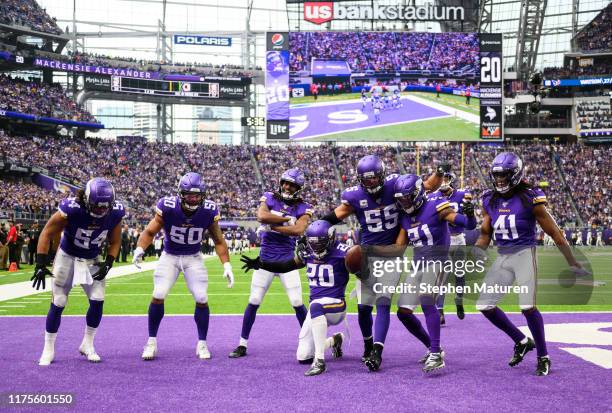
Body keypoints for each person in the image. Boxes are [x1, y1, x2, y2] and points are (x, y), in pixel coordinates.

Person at [321, 155, 448, 372]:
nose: (370, 183)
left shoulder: (395, 186)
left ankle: (377, 352)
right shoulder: (354, 196)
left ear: (382, 175)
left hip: (391, 254)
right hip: (367, 257)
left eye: (374, 178)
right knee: (362, 308)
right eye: (366, 179)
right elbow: (334, 216)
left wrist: (439, 172)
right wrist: (315, 227)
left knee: (383, 303)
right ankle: (370, 345)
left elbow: (425, 186)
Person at [474, 152, 589, 376]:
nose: (499, 181)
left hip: (524, 254)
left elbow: (555, 232)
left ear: (515, 175)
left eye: (504, 176)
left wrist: (572, 261)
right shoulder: (491, 199)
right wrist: (478, 250)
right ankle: (521, 340)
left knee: (527, 306)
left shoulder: (530, 198)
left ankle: (543, 356)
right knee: (484, 305)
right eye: (496, 176)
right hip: (503, 256)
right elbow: (485, 232)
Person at [133, 172, 234, 361]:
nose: (193, 198)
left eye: (196, 195)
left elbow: (219, 240)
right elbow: (149, 231)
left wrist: (226, 264)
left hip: (193, 258)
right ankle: (151, 342)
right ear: (181, 194)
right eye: (188, 195)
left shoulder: (209, 210)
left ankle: (202, 343)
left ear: (202, 195)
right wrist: (140, 248)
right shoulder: (168, 207)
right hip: (169, 256)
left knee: (202, 297)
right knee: (158, 294)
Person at [32, 178, 124, 365]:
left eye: (104, 207)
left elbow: (115, 241)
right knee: (58, 301)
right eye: (96, 206)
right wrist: (41, 263)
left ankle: (87, 344)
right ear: (86, 200)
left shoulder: (115, 212)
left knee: (98, 300)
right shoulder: (71, 208)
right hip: (68, 257)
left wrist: (109, 262)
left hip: (92, 259)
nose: (100, 210)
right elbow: (46, 232)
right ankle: (48, 348)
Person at [240, 220, 349, 376]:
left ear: (331, 239)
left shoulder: (343, 252)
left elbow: (362, 270)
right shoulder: (307, 253)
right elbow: (285, 267)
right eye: (313, 243)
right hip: (316, 310)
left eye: (320, 243)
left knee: (316, 306)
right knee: (303, 356)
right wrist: (262, 264)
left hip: (336, 306)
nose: (316, 247)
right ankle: (334, 341)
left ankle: (320, 361)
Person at [393, 174, 476, 372]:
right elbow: (398, 248)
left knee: (427, 300)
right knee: (403, 312)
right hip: (418, 266)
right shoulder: (405, 217)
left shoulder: (435, 205)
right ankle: (432, 347)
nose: (404, 202)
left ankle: (436, 354)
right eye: (401, 199)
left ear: (418, 193)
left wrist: (470, 215)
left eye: (407, 197)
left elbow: (467, 224)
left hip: (438, 262)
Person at [229, 168, 312, 358]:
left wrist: (273, 226)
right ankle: (242, 344)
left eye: (291, 184)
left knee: (297, 302)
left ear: (298, 188)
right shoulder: (270, 197)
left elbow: (298, 229)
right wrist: (286, 220)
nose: (286, 187)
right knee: (254, 300)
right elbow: (261, 216)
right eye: (285, 182)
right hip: (265, 261)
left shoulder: (304, 206)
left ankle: (310, 343)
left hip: (287, 262)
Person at [431, 172, 473, 323]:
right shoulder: (435, 196)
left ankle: (459, 299)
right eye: (441, 178)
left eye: (446, 178)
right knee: (441, 277)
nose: (443, 181)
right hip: (443, 241)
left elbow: (468, 213)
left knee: (460, 274)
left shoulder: (461, 194)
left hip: (459, 238)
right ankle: (440, 311)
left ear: (451, 180)